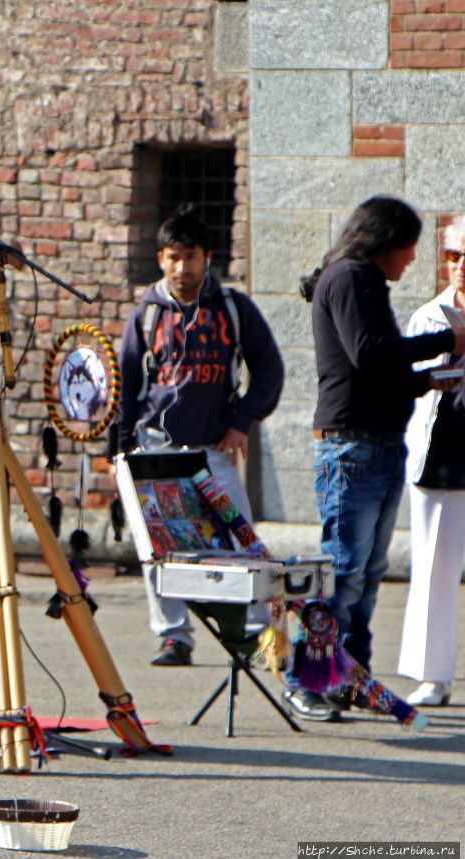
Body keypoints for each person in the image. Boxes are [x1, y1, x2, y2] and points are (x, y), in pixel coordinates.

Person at [293, 196, 465, 722]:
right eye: (410, 248)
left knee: (366, 574)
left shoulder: (366, 283)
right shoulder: (347, 278)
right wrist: (448, 340)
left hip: (379, 443)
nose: (412, 260)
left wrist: (424, 380)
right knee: (342, 572)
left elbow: (376, 369)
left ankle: (350, 676)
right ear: (387, 242)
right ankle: (308, 679)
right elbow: (368, 352)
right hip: (351, 446)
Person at [117, 207, 285, 667]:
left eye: (191, 257)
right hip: (155, 449)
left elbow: (268, 369)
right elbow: (127, 384)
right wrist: (120, 448)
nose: (182, 268)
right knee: (158, 549)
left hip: (214, 450)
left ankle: (253, 633)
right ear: (160, 259)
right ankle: (174, 635)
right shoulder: (146, 315)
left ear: (207, 257)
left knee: (239, 538)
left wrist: (243, 420)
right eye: (174, 257)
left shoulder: (232, 307)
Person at [397, 215, 465, 707]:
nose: (460, 266)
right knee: (434, 566)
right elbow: (415, 384)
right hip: (443, 454)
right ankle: (431, 675)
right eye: (454, 255)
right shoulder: (429, 317)